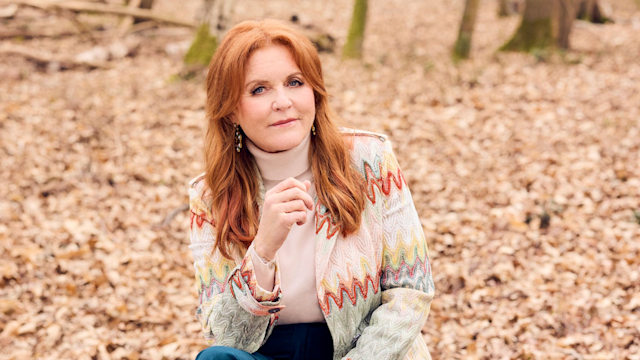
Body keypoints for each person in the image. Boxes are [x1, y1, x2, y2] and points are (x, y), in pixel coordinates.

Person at [188, 19, 435, 360]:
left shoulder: (369, 159)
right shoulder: (210, 196)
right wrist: (262, 250)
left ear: (314, 91)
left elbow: (411, 290)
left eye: (295, 82)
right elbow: (225, 336)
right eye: (259, 89)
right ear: (230, 110)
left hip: (362, 350)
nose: (283, 101)